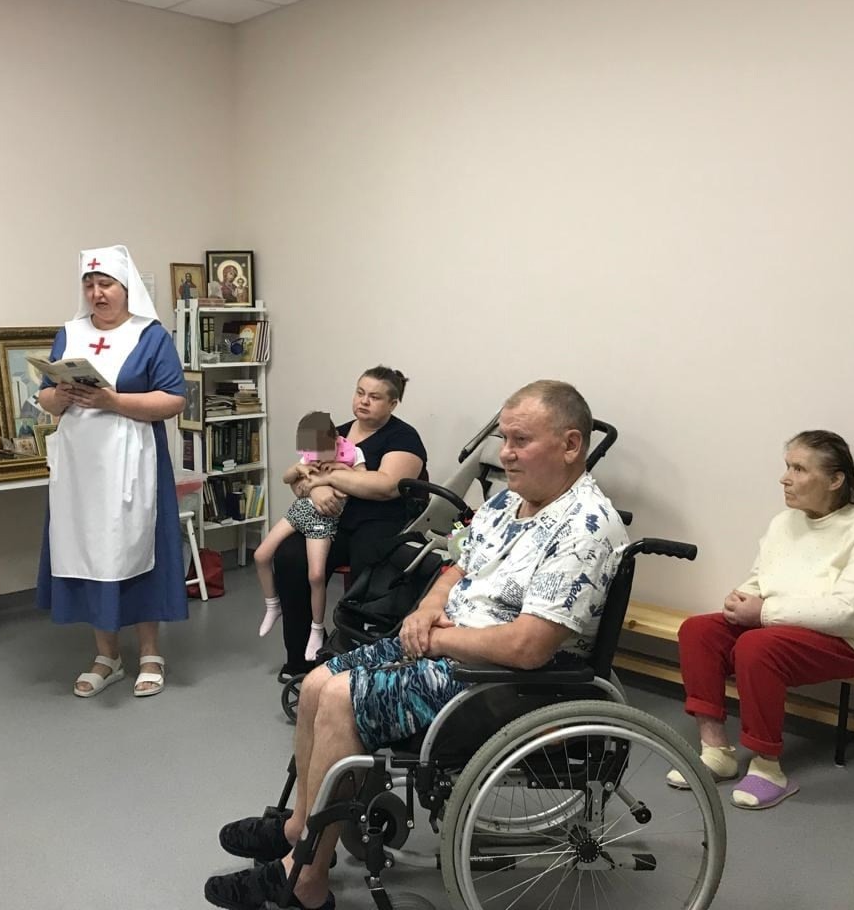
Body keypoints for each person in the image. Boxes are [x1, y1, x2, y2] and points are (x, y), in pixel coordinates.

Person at [205, 380, 629, 910]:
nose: (505, 453)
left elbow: (528, 647)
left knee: (340, 699)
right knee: (316, 682)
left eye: (520, 441)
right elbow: (457, 565)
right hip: (446, 646)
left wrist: (443, 638)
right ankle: (299, 832)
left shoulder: (585, 526)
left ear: (571, 445)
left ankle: (306, 880)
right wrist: (428, 610)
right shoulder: (508, 503)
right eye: (503, 439)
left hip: (498, 682)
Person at [668, 431, 854, 809]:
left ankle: (768, 768)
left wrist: (763, 613)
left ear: (835, 480)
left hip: (848, 643)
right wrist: (739, 599)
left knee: (757, 646)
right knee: (698, 630)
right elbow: (762, 579)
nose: (784, 478)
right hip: (779, 629)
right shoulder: (784, 523)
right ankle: (716, 752)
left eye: (799, 469)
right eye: (787, 467)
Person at [35, 245, 188, 699]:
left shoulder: (150, 335)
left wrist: (113, 401)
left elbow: (174, 399)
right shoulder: (70, 333)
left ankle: (150, 654)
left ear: (126, 288)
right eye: (89, 285)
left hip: (132, 461)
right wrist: (59, 396)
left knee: (137, 547)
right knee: (90, 550)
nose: (97, 294)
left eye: (106, 285)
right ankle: (107, 657)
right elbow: (45, 396)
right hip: (80, 467)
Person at [270, 367, 428, 680]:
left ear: (393, 403)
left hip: (382, 521)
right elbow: (300, 478)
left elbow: (386, 485)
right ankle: (300, 658)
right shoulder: (336, 433)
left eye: (375, 397)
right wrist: (316, 489)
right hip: (333, 521)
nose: (364, 401)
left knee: (369, 564)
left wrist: (325, 478)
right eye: (360, 392)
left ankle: (355, 660)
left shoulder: (403, 437)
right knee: (290, 557)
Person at [254, 412, 367, 656]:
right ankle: (272, 605)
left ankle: (316, 628)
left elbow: (361, 481)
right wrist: (297, 469)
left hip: (324, 520)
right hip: (300, 510)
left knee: (315, 575)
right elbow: (288, 480)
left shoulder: (352, 453)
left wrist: (336, 470)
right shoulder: (311, 454)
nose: (317, 457)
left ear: (335, 439)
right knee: (261, 555)